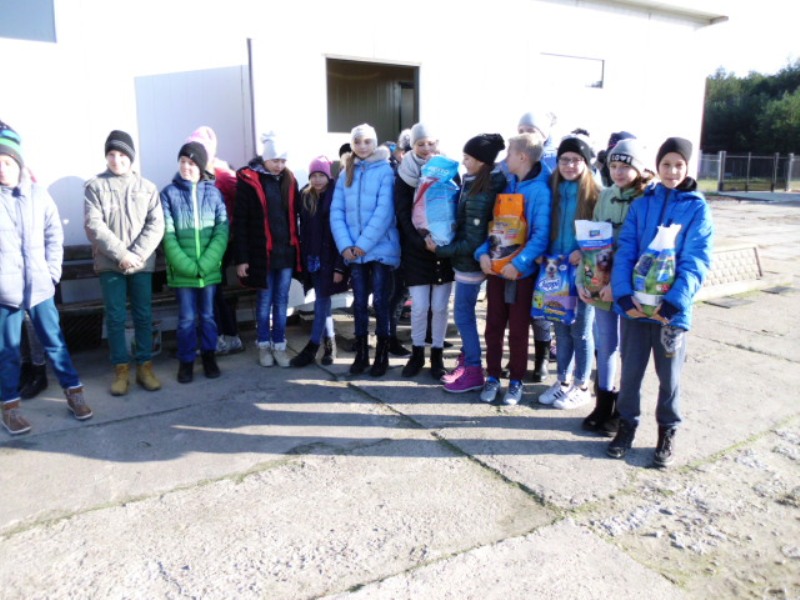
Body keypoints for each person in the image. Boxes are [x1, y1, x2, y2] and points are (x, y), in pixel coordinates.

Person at [607, 137, 713, 468]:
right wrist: (623, 295)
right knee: (630, 373)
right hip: (636, 308)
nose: (672, 171)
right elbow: (626, 250)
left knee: (669, 377)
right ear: (657, 166)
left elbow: (696, 261)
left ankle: (667, 430)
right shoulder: (643, 204)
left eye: (679, 165)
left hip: (670, 314)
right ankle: (626, 426)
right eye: (666, 164)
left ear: (688, 167)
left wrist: (674, 303)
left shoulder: (697, 208)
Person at [1, 121, 92, 435]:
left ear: (19, 163)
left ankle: (74, 394)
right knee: (8, 352)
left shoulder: (38, 195)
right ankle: (10, 409)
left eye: (7, 162)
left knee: (55, 343)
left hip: (40, 288)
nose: (2, 168)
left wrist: (52, 273)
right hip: (5, 293)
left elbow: (54, 235)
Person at [578, 138, 654, 436]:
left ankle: (624, 408)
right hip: (600, 282)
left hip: (629, 287)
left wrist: (619, 285)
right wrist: (584, 279)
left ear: (639, 168)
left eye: (625, 166)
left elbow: (643, 249)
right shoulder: (606, 195)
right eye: (613, 166)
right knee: (606, 343)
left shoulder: (646, 198)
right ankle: (604, 402)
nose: (618, 172)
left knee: (629, 349)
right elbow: (592, 241)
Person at [85, 130, 165, 396]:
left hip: (141, 264)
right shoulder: (95, 187)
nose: (116, 159)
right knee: (116, 317)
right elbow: (94, 226)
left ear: (131, 156)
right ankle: (121, 370)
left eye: (121, 154)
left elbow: (156, 225)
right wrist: (122, 255)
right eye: (111, 154)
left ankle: (145, 366)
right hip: (111, 265)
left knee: (143, 315)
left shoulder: (147, 188)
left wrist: (137, 255)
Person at [475, 132, 552, 405]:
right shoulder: (507, 185)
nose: (505, 158)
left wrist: (518, 264)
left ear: (522, 157)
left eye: (508, 153)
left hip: (520, 275)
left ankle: (516, 381)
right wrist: (482, 253)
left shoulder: (540, 192)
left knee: (518, 331)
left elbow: (541, 235)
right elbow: (494, 228)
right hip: (497, 272)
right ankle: (493, 377)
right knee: (493, 328)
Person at [428, 133, 506, 393]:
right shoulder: (475, 181)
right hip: (467, 261)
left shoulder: (482, 190)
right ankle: (467, 361)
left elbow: (473, 241)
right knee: (464, 314)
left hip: (470, 264)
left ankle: (473, 369)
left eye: (468, 158)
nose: (463, 162)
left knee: (463, 315)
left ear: (482, 161)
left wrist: (440, 250)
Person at [330, 123, 400, 376]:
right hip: (353, 252)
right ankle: (361, 353)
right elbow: (336, 211)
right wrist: (345, 245)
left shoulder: (385, 170)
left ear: (375, 142)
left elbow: (384, 212)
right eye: (357, 142)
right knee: (359, 302)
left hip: (379, 249)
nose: (362, 146)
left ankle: (382, 354)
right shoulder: (345, 172)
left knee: (380, 302)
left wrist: (362, 245)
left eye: (367, 141)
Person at [537, 136, 601, 410]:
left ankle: (582, 386)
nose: (570, 165)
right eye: (564, 159)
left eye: (576, 160)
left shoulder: (596, 193)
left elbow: (603, 234)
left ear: (586, 163)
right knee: (560, 329)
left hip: (583, 272)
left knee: (581, 332)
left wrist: (584, 252)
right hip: (555, 271)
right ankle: (562, 381)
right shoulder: (551, 188)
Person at [160, 142, 229, 383]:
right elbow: (167, 235)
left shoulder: (214, 193)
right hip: (183, 273)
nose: (186, 167)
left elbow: (222, 231)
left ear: (200, 166)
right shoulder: (168, 194)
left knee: (208, 316)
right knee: (187, 319)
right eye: (182, 162)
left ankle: (209, 356)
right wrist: (189, 267)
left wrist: (206, 264)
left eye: (191, 163)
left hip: (208, 271)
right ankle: (186, 361)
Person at [234, 131, 301, 368]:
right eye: (275, 160)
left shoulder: (289, 180)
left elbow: (296, 215)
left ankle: (279, 345)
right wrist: (242, 258)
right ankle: (263, 345)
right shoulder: (249, 180)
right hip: (262, 254)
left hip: (286, 253)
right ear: (265, 159)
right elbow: (240, 222)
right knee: (264, 301)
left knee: (282, 301)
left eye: (283, 161)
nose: (279, 165)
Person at [395, 123, 454, 379]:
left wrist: (443, 241)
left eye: (431, 143)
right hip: (417, 250)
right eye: (421, 144)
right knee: (419, 306)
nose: (426, 148)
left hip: (443, 249)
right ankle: (417, 353)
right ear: (413, 146)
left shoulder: (449, 169)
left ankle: (437, 356)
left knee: (440, 307)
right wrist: (421, 242)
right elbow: (401, 213)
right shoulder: (405, 173)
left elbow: (456, 206)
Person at [185, 126, 244, 356]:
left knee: (209, 290)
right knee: (214, 290)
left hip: (220, 242)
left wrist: (230, 228)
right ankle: (230, 337)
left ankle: (218, 338)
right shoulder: (193, 174)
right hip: (201, 244)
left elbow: (243, 202)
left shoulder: (222, 173)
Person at [290, 156, 348, 367]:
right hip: (312, 258)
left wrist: (340, 266)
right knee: (323, 301)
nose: (317, 179)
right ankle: (330, 344)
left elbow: (341, 231)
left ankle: (313, 346)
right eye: (313, 175)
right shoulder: (305, 196)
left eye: (321, 175)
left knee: (322, 301)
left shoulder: (336, 195)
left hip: (330, 258)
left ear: (328, 176)